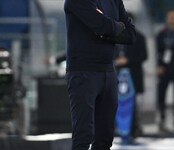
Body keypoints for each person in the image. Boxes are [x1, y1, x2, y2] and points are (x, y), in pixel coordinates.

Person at [64, 0, 136, 150]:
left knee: (105, 138)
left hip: (108, 72)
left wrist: (107, 30)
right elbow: (103, 26)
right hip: (83, 72)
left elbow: (131, 35)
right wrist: (116, 26)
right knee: (83, 135)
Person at [115, 20, 148, 138]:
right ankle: (120, 128)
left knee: (135, 105)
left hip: (134, 76)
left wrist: (128, 60)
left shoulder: (139, 37)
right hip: (118, 77)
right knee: (117, 103)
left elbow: (144, 56)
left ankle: (135, 128)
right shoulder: (116, 37)